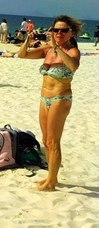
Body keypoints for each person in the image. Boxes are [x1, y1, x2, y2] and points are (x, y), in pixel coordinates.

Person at [17, 15, 82, 191]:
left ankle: (52, 182)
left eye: (63, 30)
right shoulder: (47, 50)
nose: (59, 33)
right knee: (46, 140)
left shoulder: (72, 51)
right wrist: (28, 41)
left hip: (60, 98)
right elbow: (22, 55)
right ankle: (50, 177)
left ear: (71, 33)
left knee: (54, 141)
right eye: (56, 30)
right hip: (44, 99)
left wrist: (56, 47)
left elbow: (73, 66)